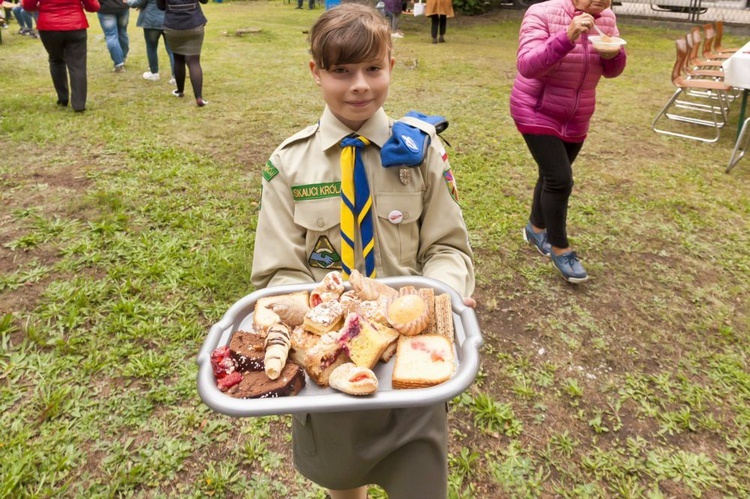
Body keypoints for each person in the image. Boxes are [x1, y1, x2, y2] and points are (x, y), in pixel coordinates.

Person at [251, 4, 475, 499]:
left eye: (373, 68)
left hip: (410, 365)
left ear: (391, 64)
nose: (359, 85)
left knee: (419, 484)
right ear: (316, 72)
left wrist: (444, 295)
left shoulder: (422, 154)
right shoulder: (288, 165)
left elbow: (447, 248)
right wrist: (308, 318)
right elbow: (279, 272)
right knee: (340, 477)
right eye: (341, 71)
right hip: (329, 368)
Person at [510, 0, 626, 283]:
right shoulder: (542, 13)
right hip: (535, 109)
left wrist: (613, 54)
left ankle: (536, 229)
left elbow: (611, 71)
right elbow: (527, 64)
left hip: (577, 115)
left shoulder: (606, 18)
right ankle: (561, 248)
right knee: (560, 179)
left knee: (551, 175)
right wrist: (567, 36)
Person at [22, 0, 100, 112]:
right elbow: (93, 6)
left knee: (55, 60)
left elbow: (28, 5)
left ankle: (63, 98)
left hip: (49, 26)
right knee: (78, 65)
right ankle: (79, 104)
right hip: (75, 25)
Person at [157, 0, 208, 106]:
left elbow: (160, 6)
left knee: (178, 59)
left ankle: (180, 91)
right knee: (194, 62)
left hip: (173, 26)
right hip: (194, 24)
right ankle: (199, 98)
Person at [124, 0, 175, 83]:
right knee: (172, 50)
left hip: (151, 20)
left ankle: (154, 73)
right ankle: (175, 77)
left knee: (151, 47)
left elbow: (138, 2)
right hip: (169, 20)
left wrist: (128, 2)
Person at [97, 0, 129, 72]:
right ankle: (123, 57)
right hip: (122, 6)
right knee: (122, 32)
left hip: (105, 8)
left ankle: (119, 63)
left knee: (111, 35)